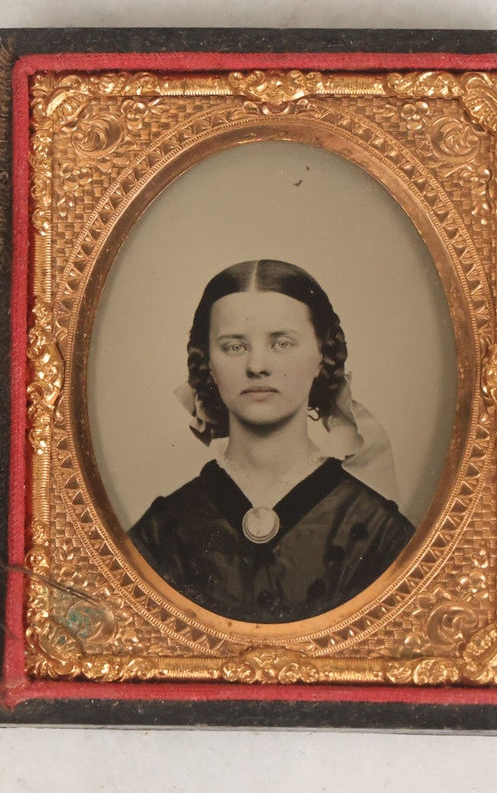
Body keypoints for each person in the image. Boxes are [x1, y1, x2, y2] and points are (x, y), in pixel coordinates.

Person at [126, 259, 413, 624]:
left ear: (321, 357)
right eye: (234, 347)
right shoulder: (161, 531)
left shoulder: (379, 530)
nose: (257, 365)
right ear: (208, 363)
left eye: (281, 343)